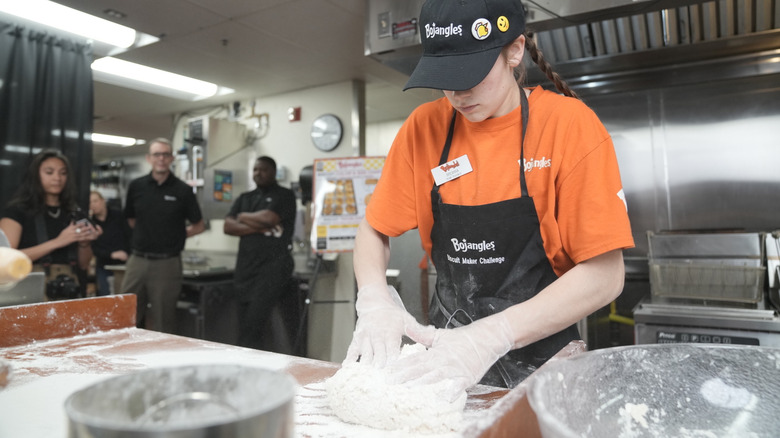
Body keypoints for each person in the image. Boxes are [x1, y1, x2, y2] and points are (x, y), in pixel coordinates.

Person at [344, 0, 635, 398]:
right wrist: (375, 298)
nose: (458, 93)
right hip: (447, 356)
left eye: (472, 74)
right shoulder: (423, 128)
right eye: (446, 77)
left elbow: (605, 275)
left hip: (546, 362)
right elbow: (374, 229)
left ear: (514, 50)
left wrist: (492, 334)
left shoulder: (568, 125)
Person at [122, 138, 205, 333]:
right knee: (125, 316)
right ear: (149, 158)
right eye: (157, 154)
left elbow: (199, 226)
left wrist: (175, 235)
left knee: (163, 321)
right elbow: (131, 220)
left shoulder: (183, 190)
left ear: (172, 158)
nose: (161, 158)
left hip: (167, 264)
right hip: (137, 261)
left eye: (165, 154)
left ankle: (161, 362)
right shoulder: (136, 186)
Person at [0, 149, 101, 299]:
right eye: (49, 172)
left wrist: (85, 243)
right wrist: (57, 242)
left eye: (63, 173)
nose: (57, 178)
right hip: (29, 290)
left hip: (69, 289)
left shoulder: (72, 212)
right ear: (36, 175)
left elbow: (83, 264)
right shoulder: (17, 210)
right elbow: (4, 259)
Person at [224, 156, 297, 350]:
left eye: (263, 169)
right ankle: (245, 364)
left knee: (254, 324)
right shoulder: (245, 198)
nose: (258, 173)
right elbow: (228, 226)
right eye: (255, 170)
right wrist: (258, 227)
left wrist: (242, 217)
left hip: (273, 268)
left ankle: (257, 368)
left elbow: (269, 218)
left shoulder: (285, 195)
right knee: (243, 324)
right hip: (246, 268)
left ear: (273, 171)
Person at [89, 191, 130, 296]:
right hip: (104, 265)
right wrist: (111, 254)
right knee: (106, 297)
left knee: (125, 295)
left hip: (124, 264)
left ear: (103, 201)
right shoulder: (90, 224)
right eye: (90, 202)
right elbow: (93, 248)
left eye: (95, 201)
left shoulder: (119, 216)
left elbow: (130, 235)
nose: (93, 204)